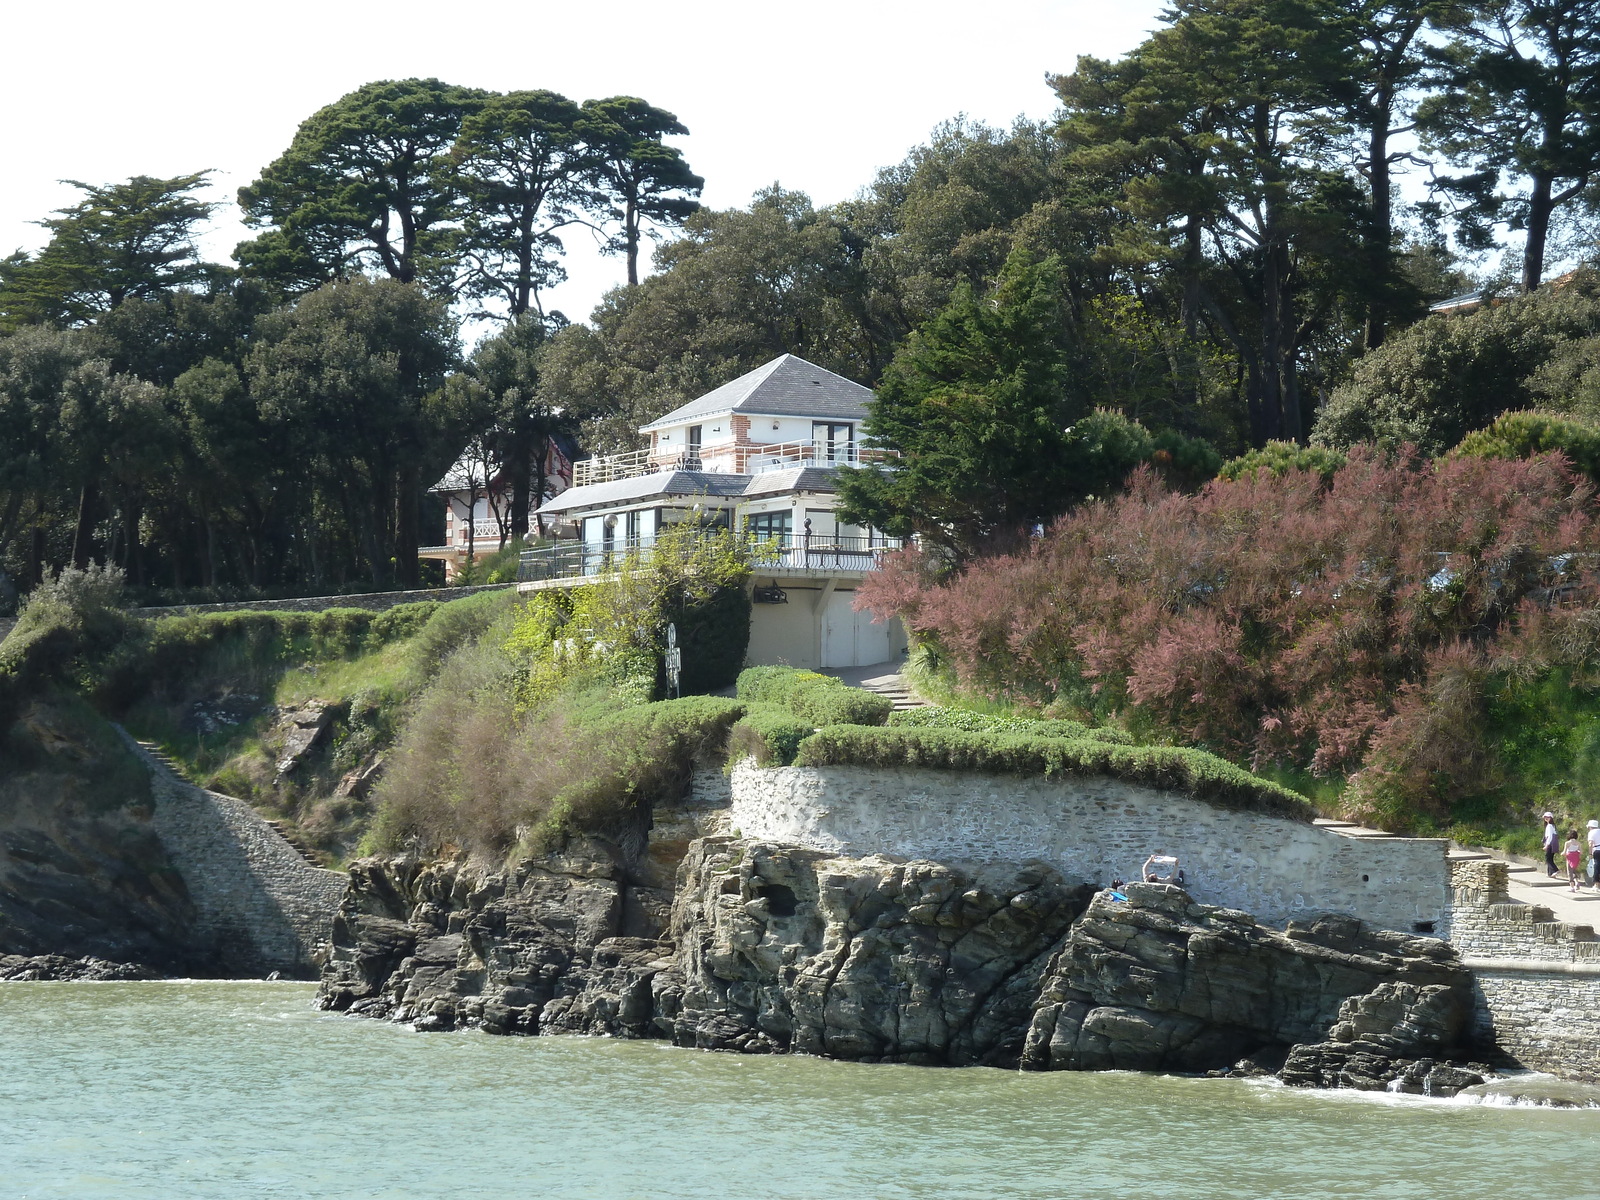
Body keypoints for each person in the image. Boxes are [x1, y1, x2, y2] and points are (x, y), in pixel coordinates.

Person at [1565, 829, 1584, 893]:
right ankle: (1577, 882)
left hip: (1569, 858)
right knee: (1574, 871)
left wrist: (1563, 853)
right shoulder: (1578, 843)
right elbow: (1581, 852)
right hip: (1576, 858)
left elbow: (1564, 852)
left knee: (1570, 872)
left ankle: (1572, 887)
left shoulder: (1567, 843)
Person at [1543, 813, 1560, 878]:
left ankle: (1555, 870)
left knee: (1548, 859)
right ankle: (1550, 873)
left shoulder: (1549, 826)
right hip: (1553, 844)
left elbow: (1549, 837)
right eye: (1545, 817)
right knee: (1550, 858)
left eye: (1548, 817)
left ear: (1551, 818)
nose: (1546, 818)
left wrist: (1547, 845)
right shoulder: (1552, 826)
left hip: (1550, 844)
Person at [1587, 820, 1600, 889]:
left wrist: (1590, 854)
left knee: (1597, 867)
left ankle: (1596, 884)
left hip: (1597, 850)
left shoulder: (1591, 833)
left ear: (1590, 827)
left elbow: (1590, 844)